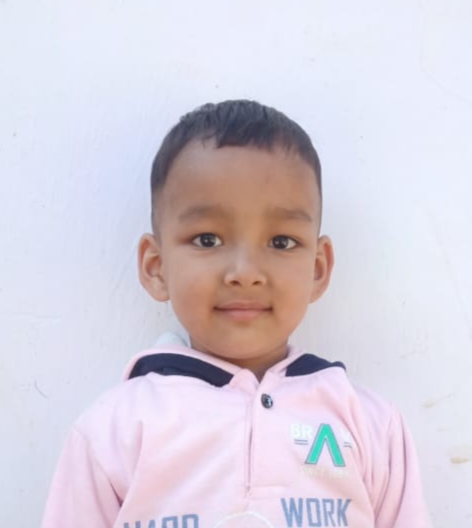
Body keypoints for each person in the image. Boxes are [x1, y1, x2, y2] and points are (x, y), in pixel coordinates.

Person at [41, 100, 432, 528]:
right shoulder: (113, 430)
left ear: (318, 269)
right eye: (207, 239)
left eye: (281, 242)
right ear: (156, 267)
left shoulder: (370, 424)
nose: (245, 273)